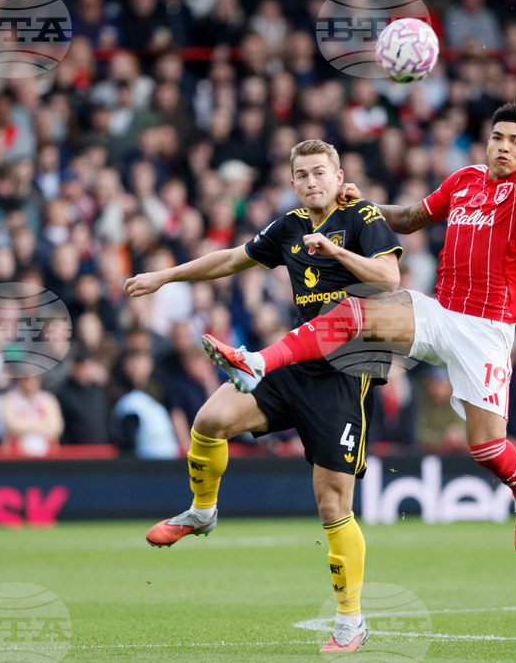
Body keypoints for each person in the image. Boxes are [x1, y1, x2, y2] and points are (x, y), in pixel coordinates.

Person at [202, 103, 516, 558]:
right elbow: (411, 218)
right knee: (355, 312)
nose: (506, 147)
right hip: (440, 312)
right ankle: (256, 363)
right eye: (498, 137)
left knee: (487, 447)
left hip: (487, 329)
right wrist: (365, 205)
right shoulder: (465, 180)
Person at [124, 139, 402, 653]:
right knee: (209, 421)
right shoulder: (289, 226)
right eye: (303, 174)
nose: (312, 181)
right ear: (293, 181)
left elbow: (389, 276)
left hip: (344, 371)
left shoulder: (361, 216)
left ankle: (351, 619)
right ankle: (202, 512)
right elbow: (232, 258)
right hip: (295, 360)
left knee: (332, 503)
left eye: (321, 172)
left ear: (339, 176)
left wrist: (337, 251)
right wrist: (165, 276)